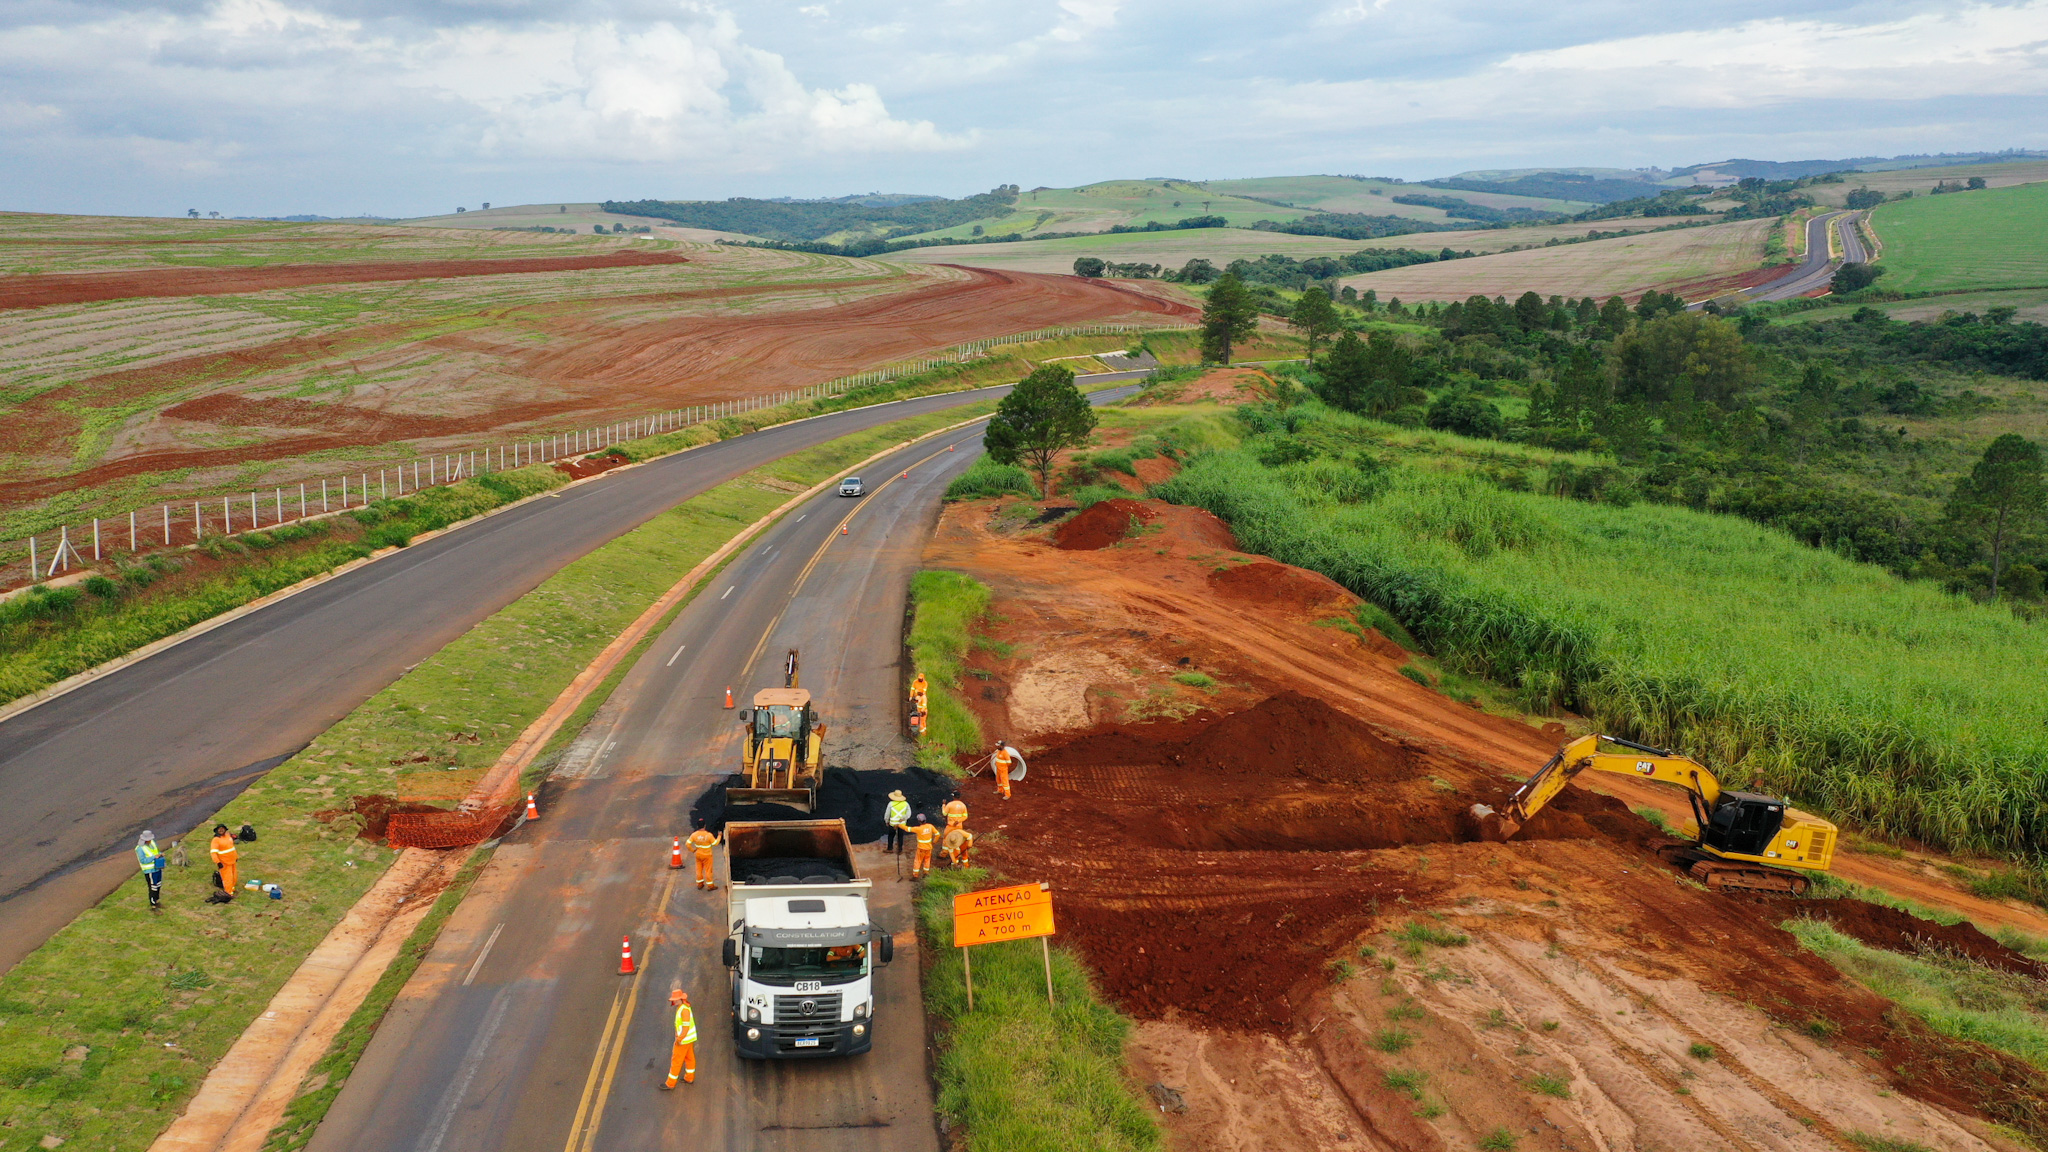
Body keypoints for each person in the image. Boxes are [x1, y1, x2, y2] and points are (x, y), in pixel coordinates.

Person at [664, 990, 698, 1087]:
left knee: (676, 1061)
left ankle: (670, 1083)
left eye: (675, 1000)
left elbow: (685, 1027)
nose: (674, 1002)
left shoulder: (684, 1010)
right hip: (688, 1039)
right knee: (689, 1058)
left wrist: (679, 1039)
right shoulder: (683, 1007)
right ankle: (689, 1078)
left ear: (680, 999)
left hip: (683, 1040)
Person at [135, 831, 165, 911]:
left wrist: (160, 854)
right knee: (153, 887)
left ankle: (157, 900)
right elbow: (143, 860)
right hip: (150, 871)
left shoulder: (153, 843)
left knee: (158, 885)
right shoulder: (140, 848)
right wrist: (154, 857)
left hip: (157, 867)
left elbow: (156, 851)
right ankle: (153, 904)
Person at [686, 823, 720, 891]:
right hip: (707, 856)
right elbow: (715, 843)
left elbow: (687, 844)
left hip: (698, 855)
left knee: (699, 870)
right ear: (705, 826)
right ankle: (710, 886)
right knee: (708, 871)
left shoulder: (694, 835)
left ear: (697, 826)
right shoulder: (708, 835)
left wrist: (693, 850)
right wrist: (719, 836)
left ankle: (700, 884)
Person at [210, 824, 239, 897]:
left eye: (223, 829)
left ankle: (232, 888)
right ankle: (228, 893)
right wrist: (218, 862)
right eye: (219, 829)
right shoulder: (216, 840)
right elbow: (213, 853)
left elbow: (232, 848)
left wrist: (236, 857)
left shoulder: (228, 836)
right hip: (224, 863)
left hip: (232, 861)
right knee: (227, 878)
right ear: (217, 830)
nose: (221, 830)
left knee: (234, 876)